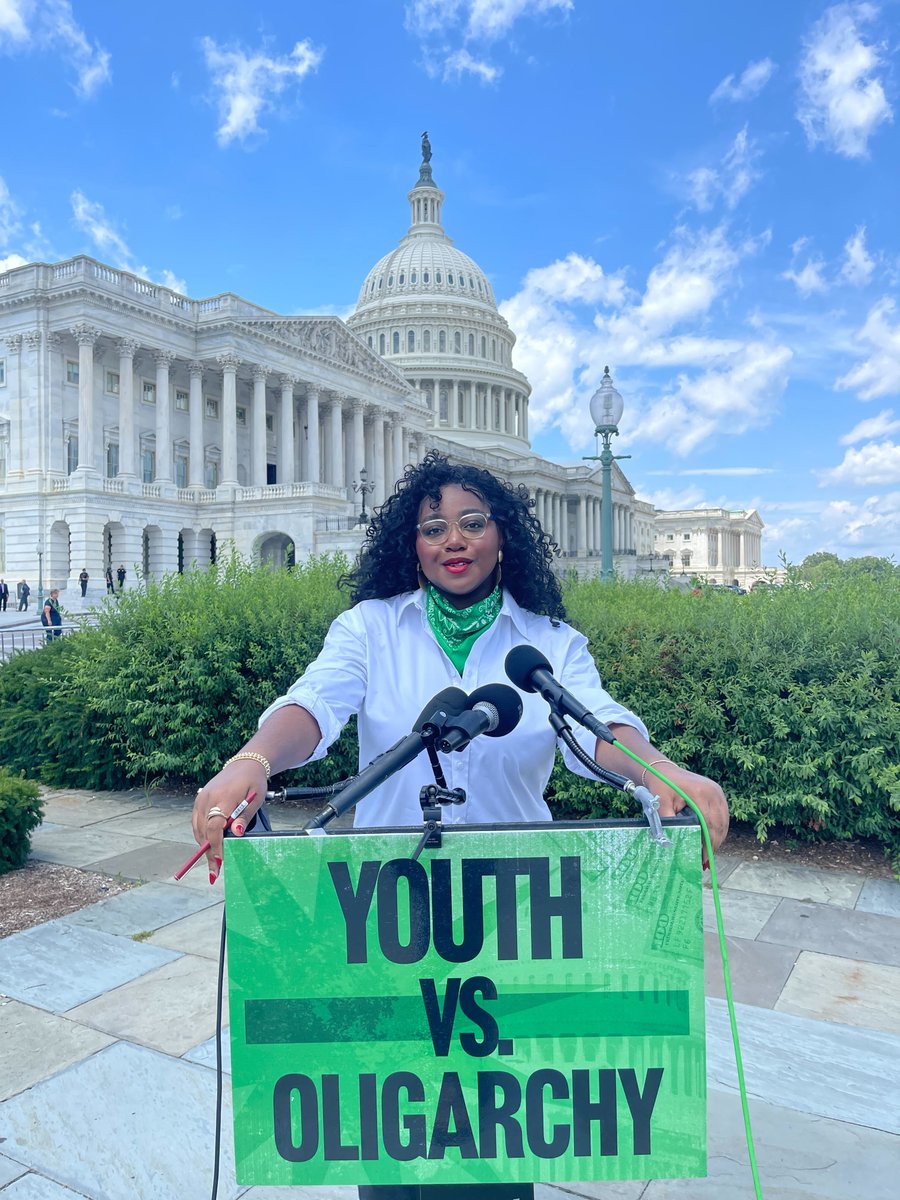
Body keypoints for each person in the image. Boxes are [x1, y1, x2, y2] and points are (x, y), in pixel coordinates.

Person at [191, 452, 728, 1200]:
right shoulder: (371, 629)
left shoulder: (546, 644)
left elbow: (598, 727)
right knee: (388, 1137)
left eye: (473, 522)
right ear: (409, 544)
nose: (454, 539)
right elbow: (314, 707)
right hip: (386, 918)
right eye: (433, 526)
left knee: (496, 1146)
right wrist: (251, 761)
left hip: (515, 924)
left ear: (503, 537)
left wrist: (663, 772)